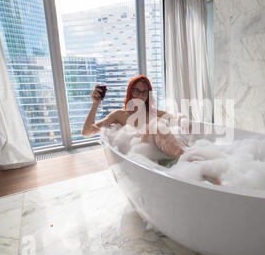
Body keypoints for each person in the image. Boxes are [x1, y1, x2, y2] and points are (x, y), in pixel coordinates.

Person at [82, 75, 221, 185]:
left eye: (144, 92)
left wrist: (183, 118)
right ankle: (194, 162)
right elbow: (87, 131)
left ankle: (196, 162)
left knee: (160, 124)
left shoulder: (153, 112)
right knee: (156, 124)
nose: (140, 96)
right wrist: (95, 104)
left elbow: (174, 117)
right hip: (143, 155)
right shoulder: (119, 115)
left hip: (164, 151)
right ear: (130, 92)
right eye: (136, 91)